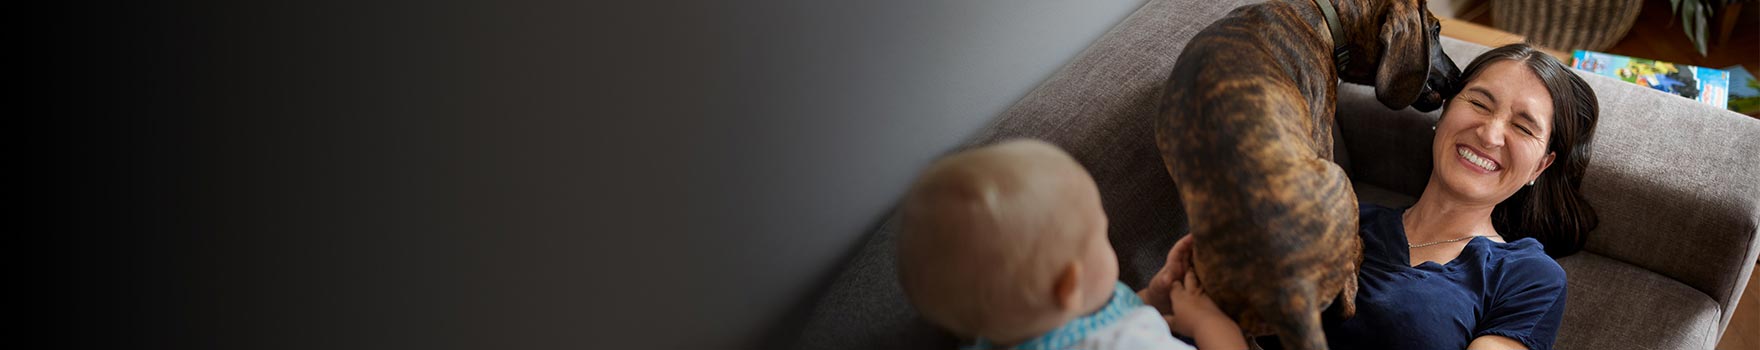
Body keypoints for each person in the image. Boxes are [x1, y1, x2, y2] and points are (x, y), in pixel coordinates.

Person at [1151, 43, 1600, 350]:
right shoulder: (1338, 217)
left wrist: (1215, 333)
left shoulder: (1526, 276)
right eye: (1479, 103)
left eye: (1523, 127)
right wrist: (1160, 293)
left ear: (1541, 166)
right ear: (1443, 115)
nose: (1489, 133)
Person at [896, 139, 1246, 350]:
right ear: (1069, 285)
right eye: (1103, 236)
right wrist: (1208, 323)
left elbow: (1090, 316)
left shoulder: (1002, 335)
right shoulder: (1128, 344)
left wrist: (1153, 297)